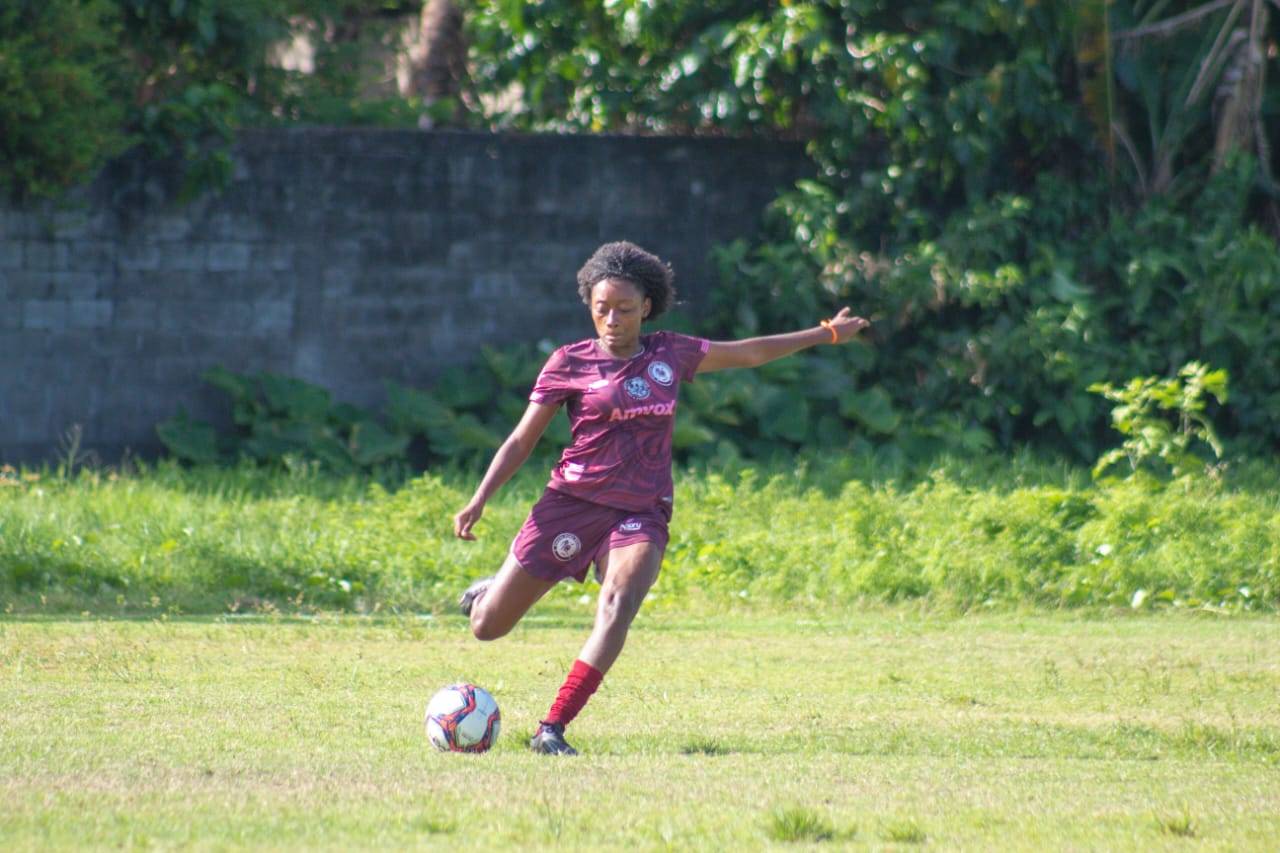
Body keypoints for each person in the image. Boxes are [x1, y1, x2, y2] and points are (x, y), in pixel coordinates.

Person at [452, 240, 869, 755]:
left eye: (625, 309)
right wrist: (480, 498)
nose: (612, 319)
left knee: (618, 602)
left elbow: (751, 351)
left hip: (641, 511)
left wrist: (826, 333)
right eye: (601, 308)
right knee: (487, 628)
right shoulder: (569, 362)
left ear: (646, 307)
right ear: (589, 304)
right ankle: (497, 586)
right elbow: (522, 440)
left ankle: (552, 727)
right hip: (571, 505)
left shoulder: (670, 353)